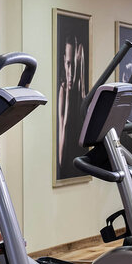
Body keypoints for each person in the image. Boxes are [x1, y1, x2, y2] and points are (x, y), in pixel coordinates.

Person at [56, 34, 86, 176]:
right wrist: (68, 102)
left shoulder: (83, 94)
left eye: (74, 64)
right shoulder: (62, 90)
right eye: (68, 64)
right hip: (67, 166)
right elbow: (61, 161)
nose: (70, 72)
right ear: (63, 61)